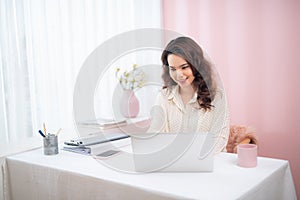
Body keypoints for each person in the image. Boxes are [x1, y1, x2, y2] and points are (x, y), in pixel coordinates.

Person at [147, 36, 230, 153]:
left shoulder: (217, 96)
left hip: (211, 163)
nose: (179, 75)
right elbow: (155, 133)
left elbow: (219, 139)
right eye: (173, 69)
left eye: (184, 67)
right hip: (174, 163)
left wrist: (190, 155)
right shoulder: (164, 96)